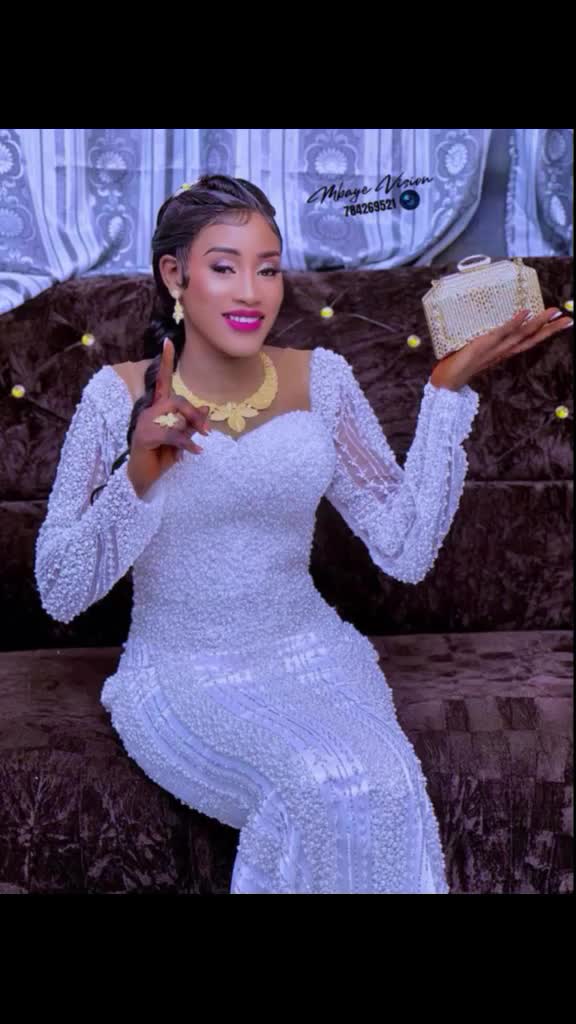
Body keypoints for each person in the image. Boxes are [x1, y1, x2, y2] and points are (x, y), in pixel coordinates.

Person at [34, 174, 573, 894]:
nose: (251, 292)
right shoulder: (115, 396)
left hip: (315, 658)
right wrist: (138, 474)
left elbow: (404, 548)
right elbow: (58, 589)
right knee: (315, 783)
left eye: (267, 268)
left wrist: (445, 391)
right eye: (224, 267)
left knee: (384, 785)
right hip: (180, 674)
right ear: (175, 275)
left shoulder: (326, 380)